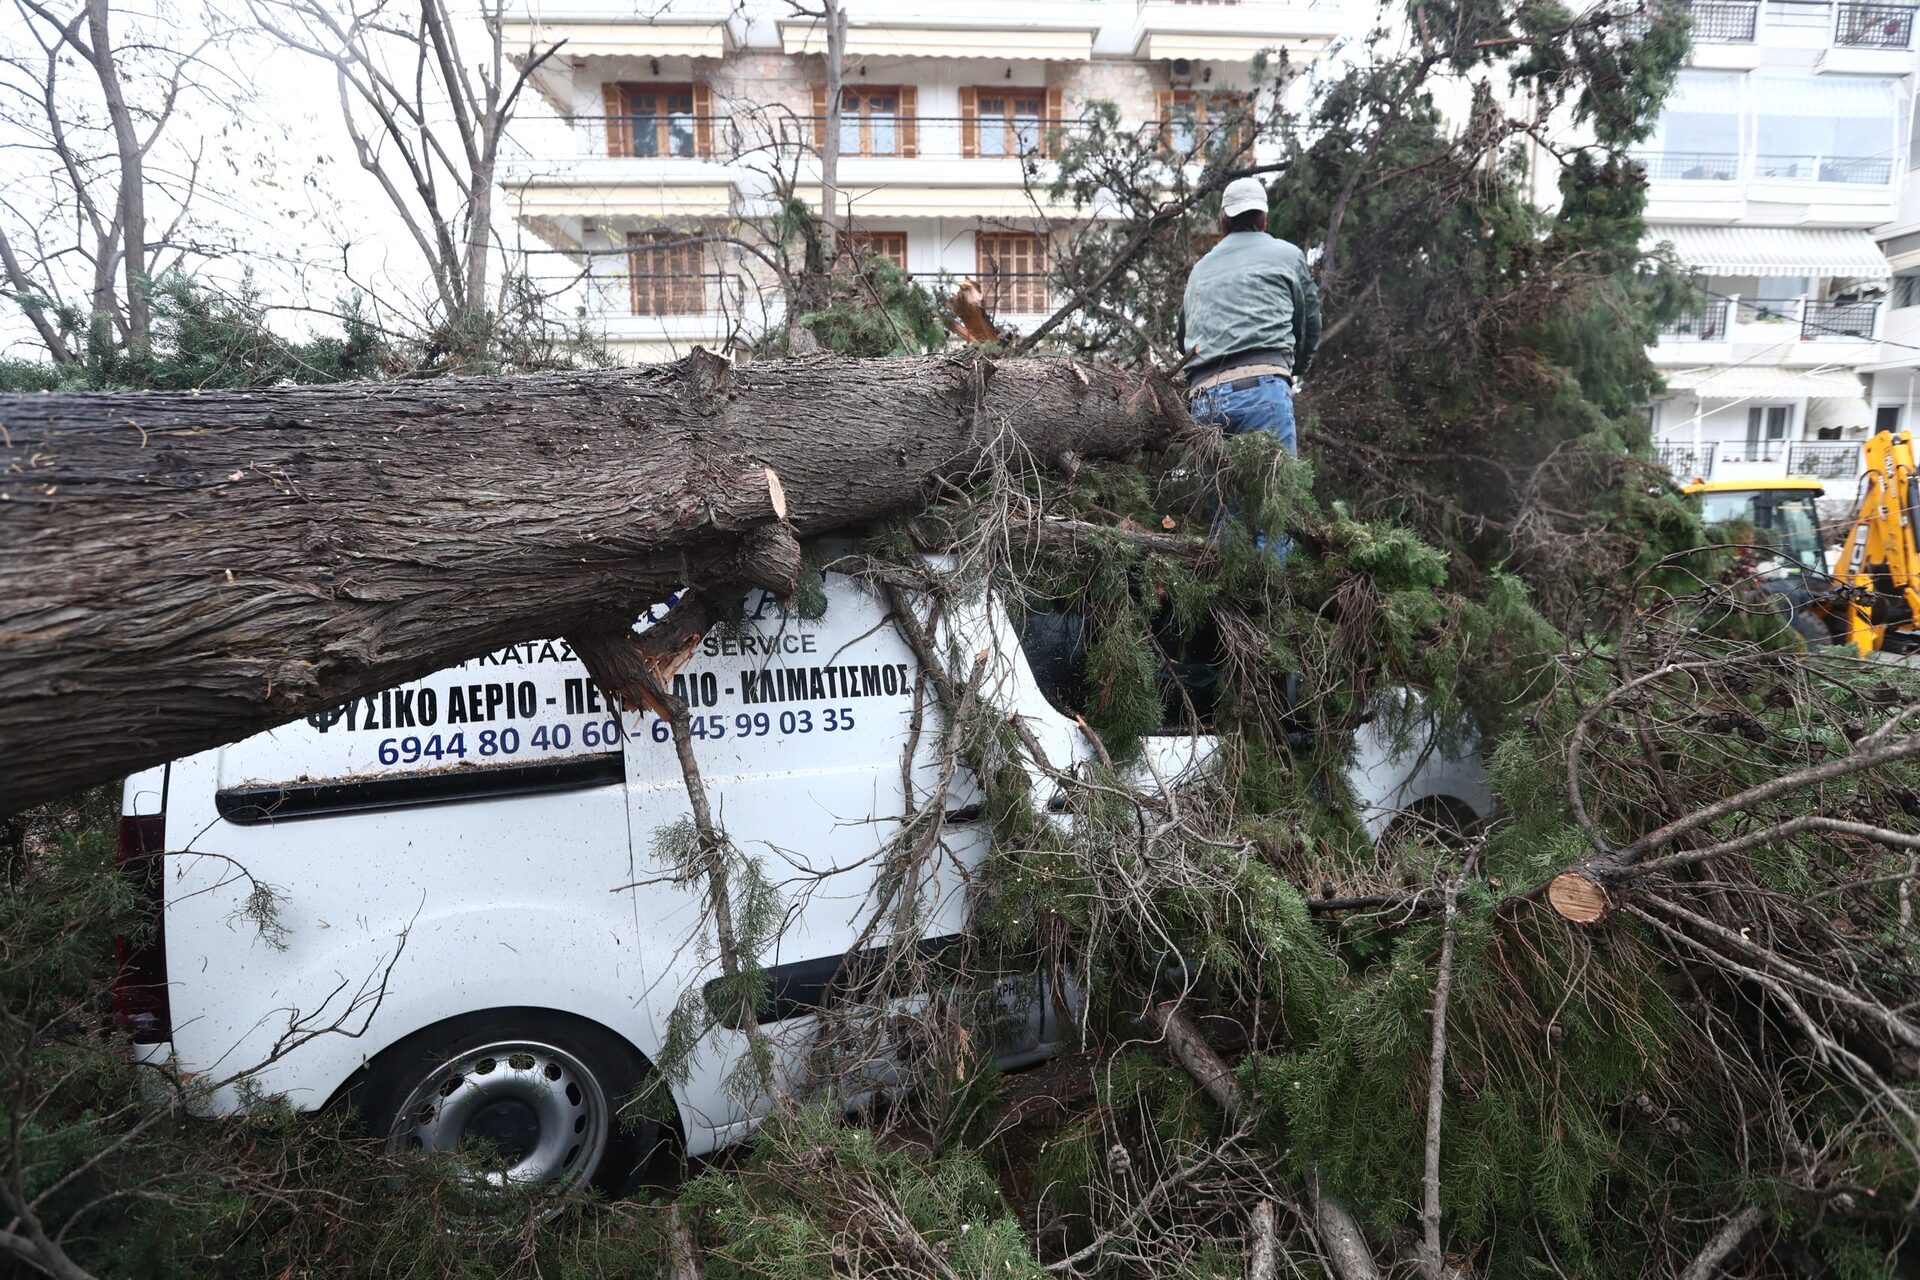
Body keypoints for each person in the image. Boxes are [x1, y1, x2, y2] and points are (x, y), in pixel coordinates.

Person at [1178, 176, 1320, 459]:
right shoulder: (1288, 255)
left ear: (1223, 221)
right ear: (1264, 218)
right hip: (1262, 390)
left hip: (1206, 400)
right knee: (1275, 497)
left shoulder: (1200, 270)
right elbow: (1309, 324)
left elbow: (1183, 337)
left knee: (1222, 503)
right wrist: (1296, 367)